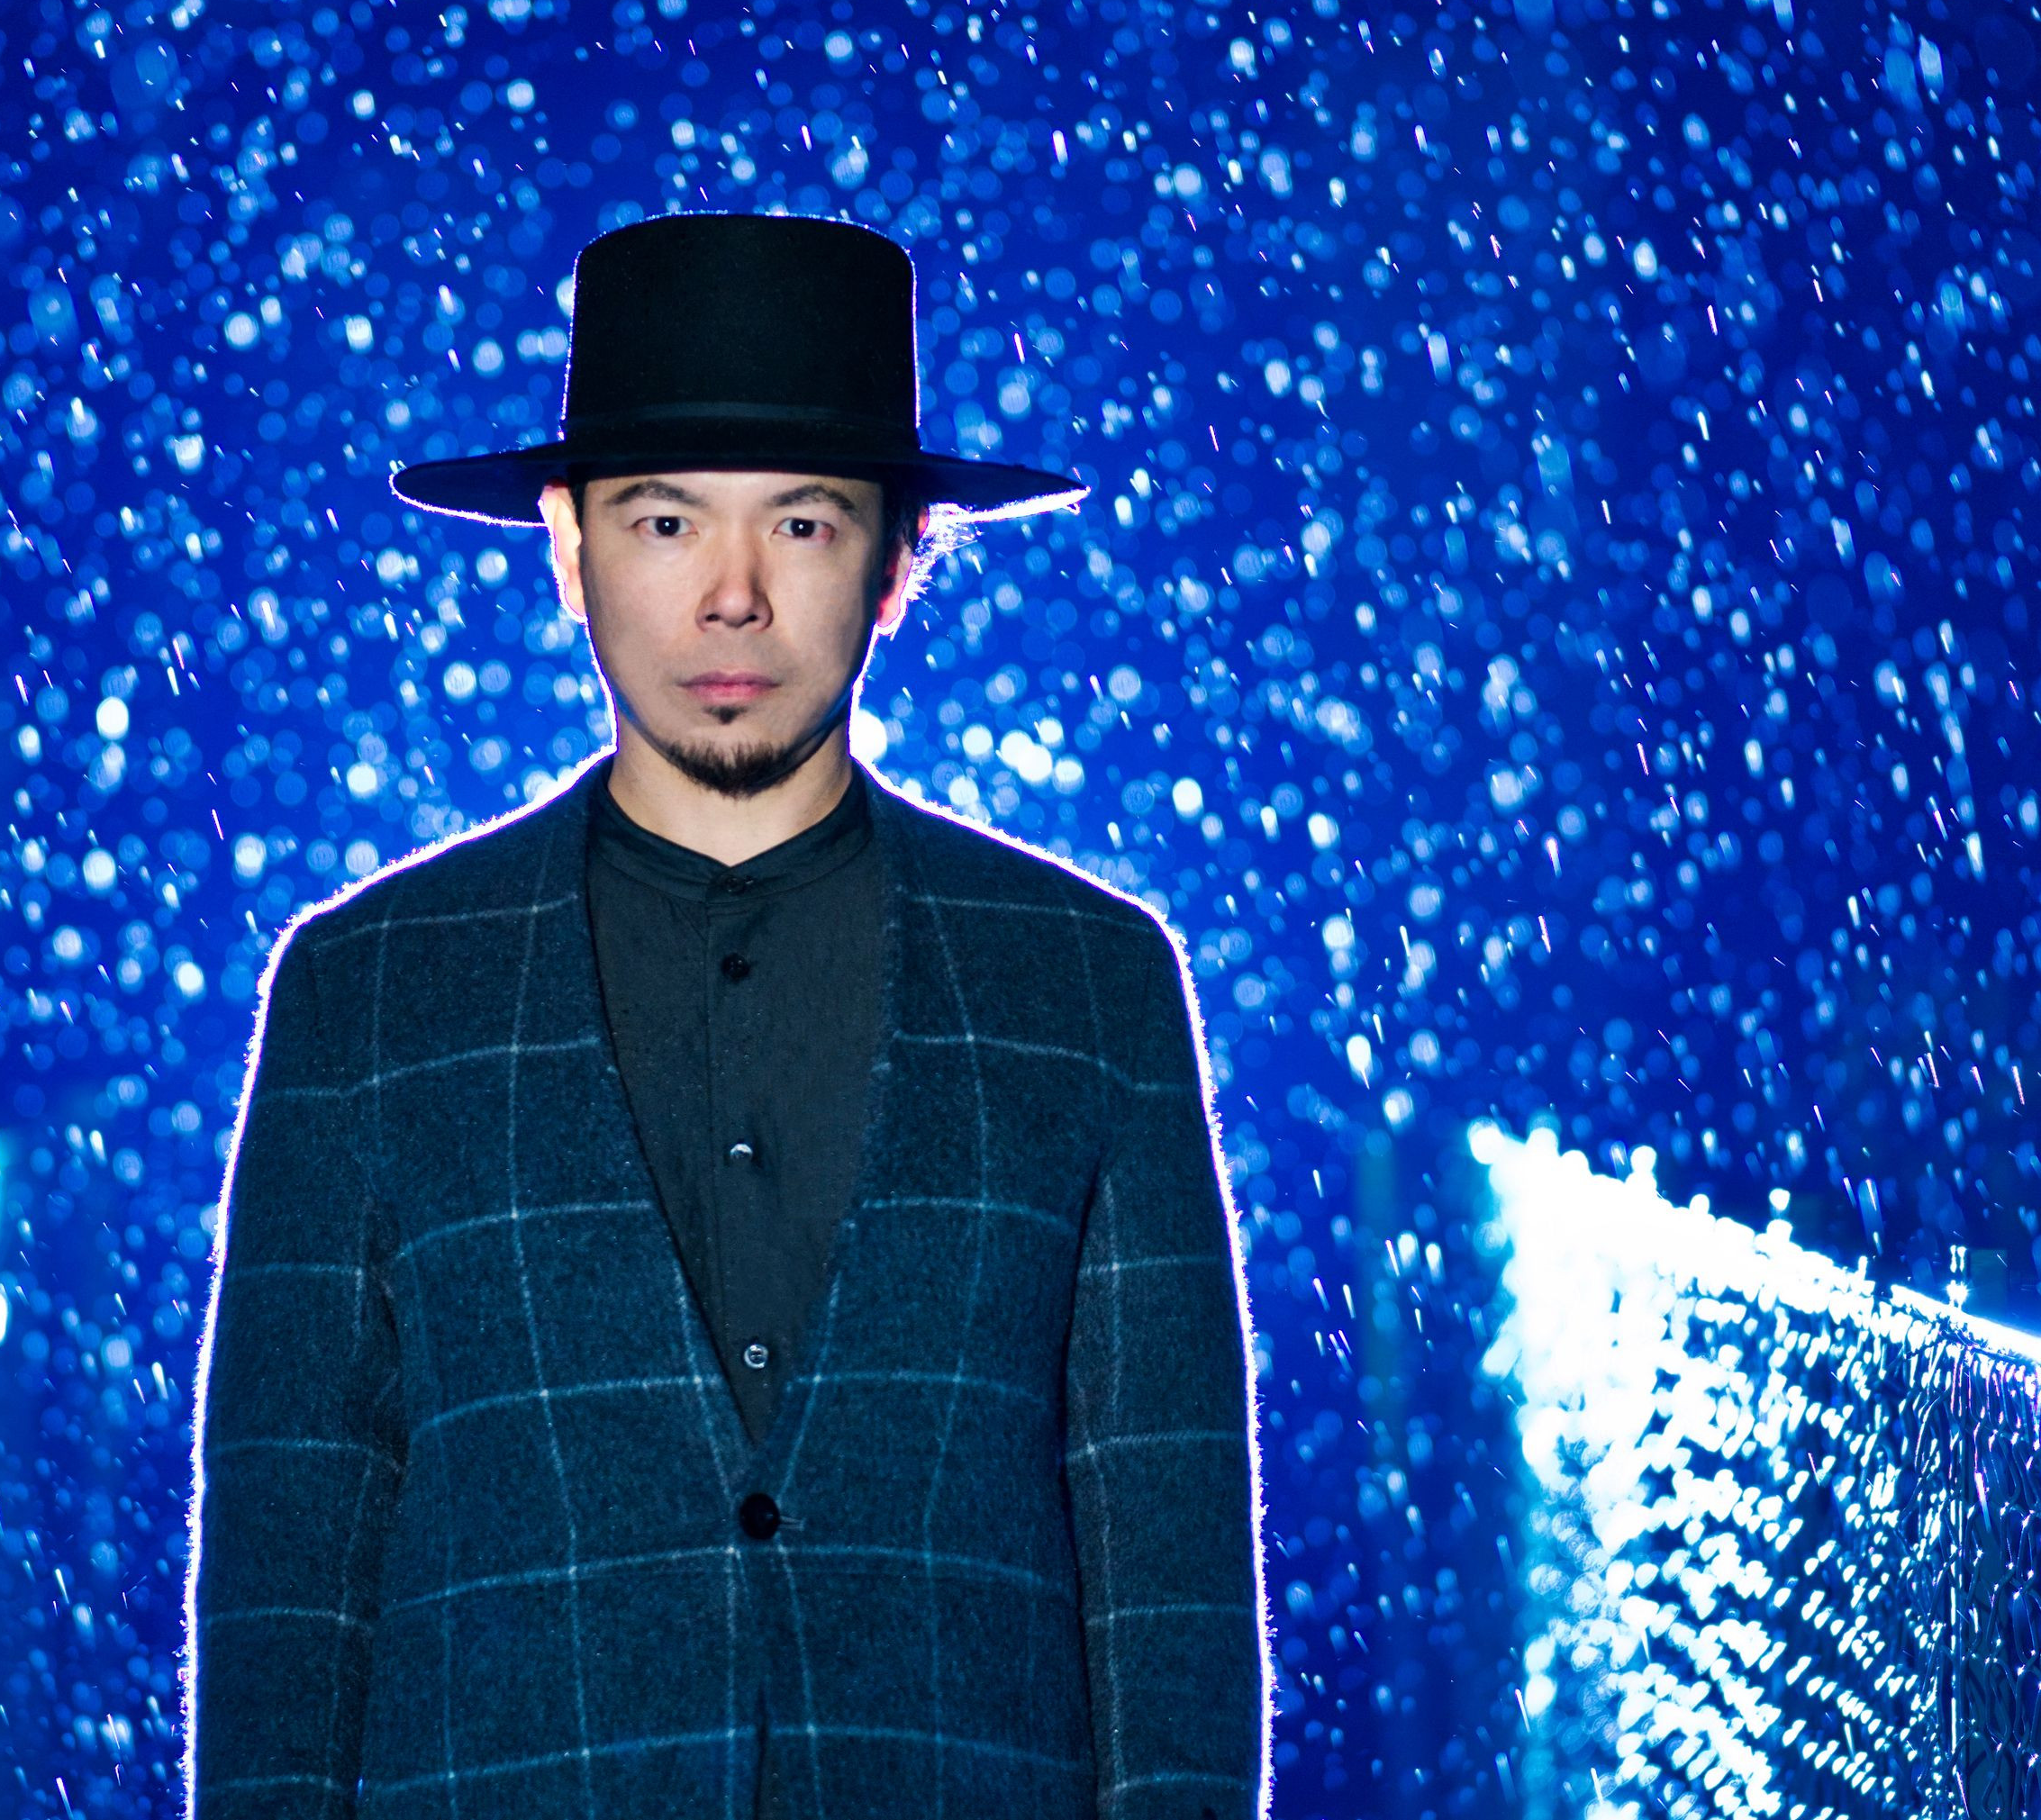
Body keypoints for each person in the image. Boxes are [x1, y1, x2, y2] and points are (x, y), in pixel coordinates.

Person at [187, 212, 1269, 1818]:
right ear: (569, 548)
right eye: (667, 519)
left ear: (901, 559)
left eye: (805, 523)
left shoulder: (1089, 982)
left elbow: (1170, 1591)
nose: (735, 598)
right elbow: (288, 1588)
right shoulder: (372, 989)